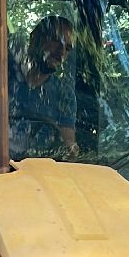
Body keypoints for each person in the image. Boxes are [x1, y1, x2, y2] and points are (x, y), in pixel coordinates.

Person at [9, 15, 79, 158]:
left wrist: (71, 150)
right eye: (56, 41)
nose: (61, 51)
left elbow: (68, 144)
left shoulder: (64, 94)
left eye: (67, 48)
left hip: (41, 170)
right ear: (35, 38)